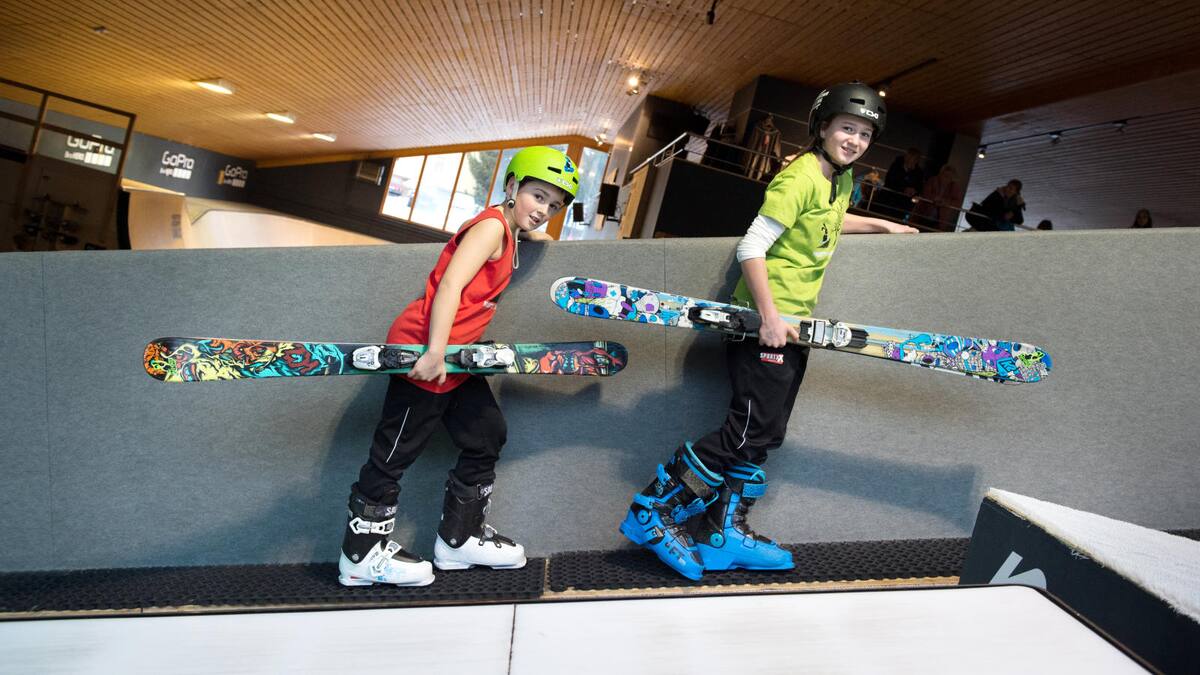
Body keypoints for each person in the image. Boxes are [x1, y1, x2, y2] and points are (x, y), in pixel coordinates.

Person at [619, 82, 917, 580]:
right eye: (847, 128)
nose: (855, 140)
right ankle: (651, 509)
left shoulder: (839, 181)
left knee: (764, 435)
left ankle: (722, 535)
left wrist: (882, 226)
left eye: (865, 133)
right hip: (764, 325)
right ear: (822, 128)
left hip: (795, 327)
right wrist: (771, 317)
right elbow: (751, 247)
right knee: (746, 432)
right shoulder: (797, 177)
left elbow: (827, 222)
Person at [338, 147, 577, 586]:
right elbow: (450, 284)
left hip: (458, 356)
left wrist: (532, 233)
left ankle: (458, 539)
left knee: (486, 433)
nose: (544, 210)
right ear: (512, 186)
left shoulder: (507, 229)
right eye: (538, 196)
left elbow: (518, 235)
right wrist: (433, 351)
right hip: (426, 349)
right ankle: (360, 555)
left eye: (554, 205)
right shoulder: (490, 228)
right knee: (395, 452)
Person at [876, 147, 924, 221]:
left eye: (915, 159)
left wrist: (914, 190)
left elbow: (919, 186)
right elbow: (890, 181)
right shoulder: (896, 165)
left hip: (903, 204)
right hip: (889, 199)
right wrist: (904, 189)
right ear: (907, 157)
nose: (913, 161)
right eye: (912, 158)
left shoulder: (918, 172)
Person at [911, 164, 963, 231]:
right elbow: (925, 193)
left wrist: (945, 202)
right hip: (924, 214)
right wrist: (935, 199)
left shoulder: (954, 187)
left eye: (949, 176)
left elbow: (957, 202)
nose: (946, 178)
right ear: (941, 174)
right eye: (944, 175)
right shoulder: (933, 180)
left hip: (939, 220)